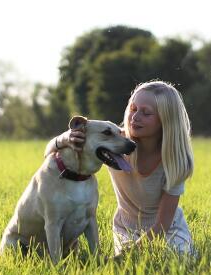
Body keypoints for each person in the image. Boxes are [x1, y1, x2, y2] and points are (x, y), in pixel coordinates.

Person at [44, 80, 195, 256]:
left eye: (146, 113)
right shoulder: (113, 142)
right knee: (131, 265)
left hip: (167, 230)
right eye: (133, 109)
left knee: (173, 258)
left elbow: (163, 225)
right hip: (126, 228)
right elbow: (49, 152)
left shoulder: (175, 160)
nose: (135, 117)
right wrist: (65, 138)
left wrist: (130, 253)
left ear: (165, 120)